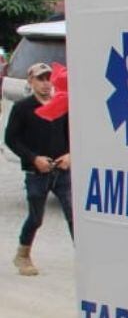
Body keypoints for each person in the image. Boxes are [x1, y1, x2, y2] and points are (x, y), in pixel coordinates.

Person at [5, 62, 73, 276]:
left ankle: (85, 258)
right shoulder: (23, 108)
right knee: (36, 217)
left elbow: (72, 133)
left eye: (48, 79)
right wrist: (33, 159)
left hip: (61, 171)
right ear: (31, 81)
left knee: (73, 215)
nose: (45, 84)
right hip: (37, 173)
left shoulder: (62, 104)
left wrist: (70, 155)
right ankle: (23, 254)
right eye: (40, 79)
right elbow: (11, 139)